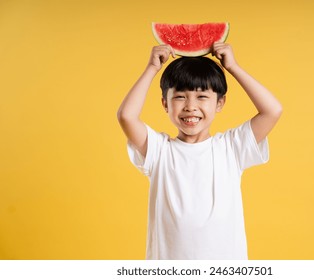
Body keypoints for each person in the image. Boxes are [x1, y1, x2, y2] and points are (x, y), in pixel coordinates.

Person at [117, 42, 283, 260]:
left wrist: (233, 67)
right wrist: (151, 68)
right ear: (165, 104)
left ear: (220, 103)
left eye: (202, 96)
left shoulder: (231, 148)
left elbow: (272, 110)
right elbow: (126, 116)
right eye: (179, 97)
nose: (190, 106)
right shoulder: (159, 151)